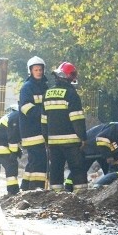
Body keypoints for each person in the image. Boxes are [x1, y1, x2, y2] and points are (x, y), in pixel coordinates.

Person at [41, 62, 88, 192]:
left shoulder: (47, 94)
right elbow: (77, 119)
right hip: (71, 142)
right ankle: (80, 195)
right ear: (68, 76)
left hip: (53, 142)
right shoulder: (71, 94)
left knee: (55, 169)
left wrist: (47, 140)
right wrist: (83, 138)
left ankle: (57, 197)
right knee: (77, 168)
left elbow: (44, 121)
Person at [65, 122, 118, 190]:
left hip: (103, 153)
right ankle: (68, 189)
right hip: (89, 145)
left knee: (109, 175)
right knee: (79, 172)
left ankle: (100, 189)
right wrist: (109, 156)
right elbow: (100, 139)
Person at [18, 56, 49, 190]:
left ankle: (25, 187)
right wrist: (44, 115)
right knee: (39, 160)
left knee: (33, 160)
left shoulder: (45, 86)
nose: (39, 72)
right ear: (30, 71)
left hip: (40, 130)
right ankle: (37, 188)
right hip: (31, 131)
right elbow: (25, 107)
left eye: (40, 69)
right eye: (36, 70)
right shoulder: (27, 87)